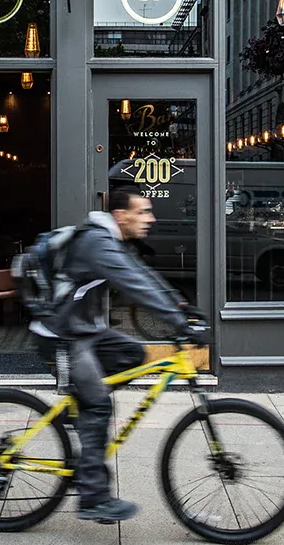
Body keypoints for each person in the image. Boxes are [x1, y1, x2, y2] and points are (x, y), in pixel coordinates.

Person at [33, 188, 202, 524]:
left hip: (86, 330)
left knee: (131, 353)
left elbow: (143, 275)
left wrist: (181, 305)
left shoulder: (113, 241)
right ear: (121, 215)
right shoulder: (98, 243)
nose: (151, 219)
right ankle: (93, 498)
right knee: (98, 405)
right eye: (144, 212)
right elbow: (132, 284)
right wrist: (179, 322)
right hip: (62, 335)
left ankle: (79, 409)